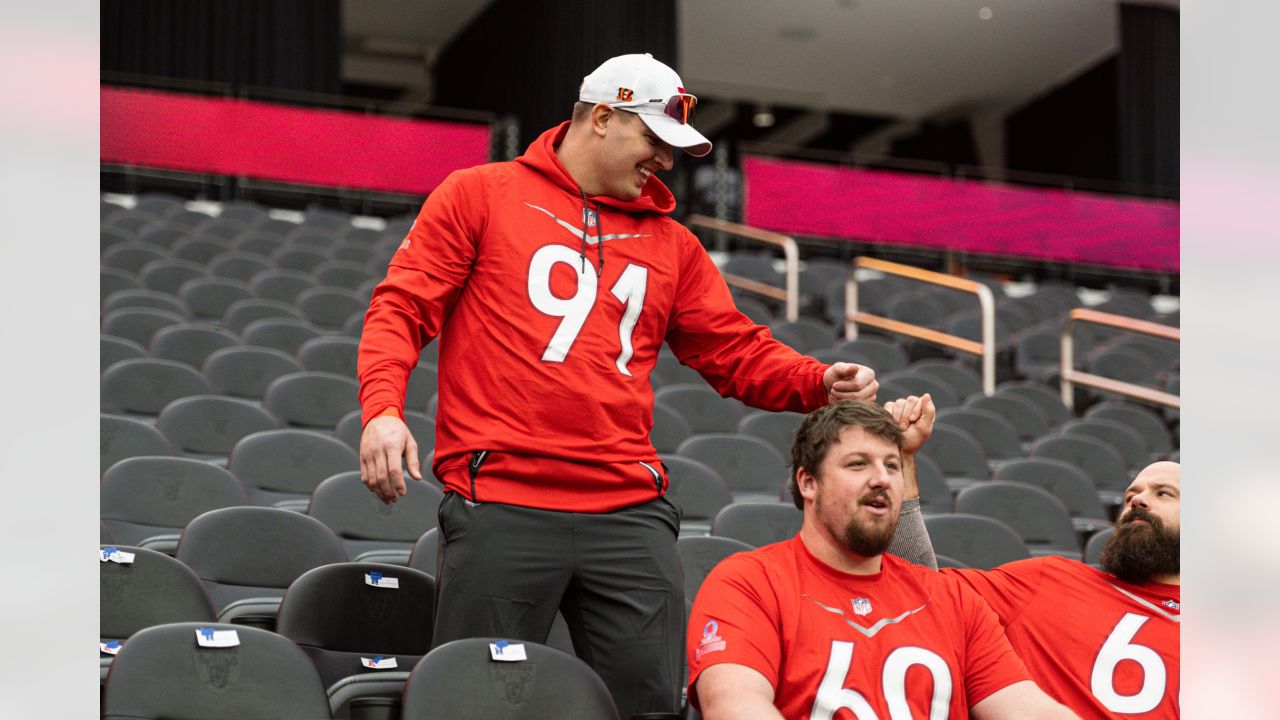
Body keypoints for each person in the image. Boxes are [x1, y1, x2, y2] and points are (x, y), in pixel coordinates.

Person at [355, 53, 878, 719]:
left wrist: (815, 381)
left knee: (652, 705)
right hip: (504, 499)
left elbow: (732, 350)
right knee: (474, 705)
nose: (665, 161)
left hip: (626, 512)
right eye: (654, 141)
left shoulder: (675, 245)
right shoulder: (477, 193)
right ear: (602, 117)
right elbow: (401, 308)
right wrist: (382, 410)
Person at [686, 400, 1078, 719]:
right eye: (858, 464)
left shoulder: (952, 600)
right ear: (808, 482)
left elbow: (1029, 708)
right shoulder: (748, 582)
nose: (882, 479)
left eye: (892, 466)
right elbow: (735, 707)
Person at [882, 394, 1180, 719]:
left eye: (1163, 493)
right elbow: (921, 588)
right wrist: (903, 461)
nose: (1137, 501)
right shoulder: (1049, 580)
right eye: (1130, 495)